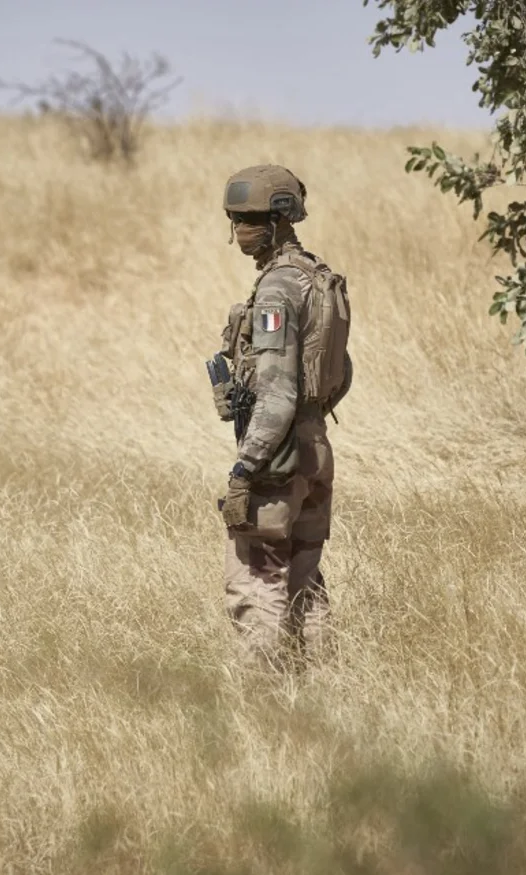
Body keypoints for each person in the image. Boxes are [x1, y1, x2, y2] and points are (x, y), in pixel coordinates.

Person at [210, 164, 353, 670]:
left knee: (257, 583)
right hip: (314, 447)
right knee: (304, 582)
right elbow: (340, 370)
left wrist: (244, 471)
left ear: (279, 218)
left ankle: (262, 703)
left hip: (278, 455)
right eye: (236, 218)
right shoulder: (320, 278)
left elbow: (277, 395)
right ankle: (322, 689)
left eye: (249, 218)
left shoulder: (276, 290)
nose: (241, 229)